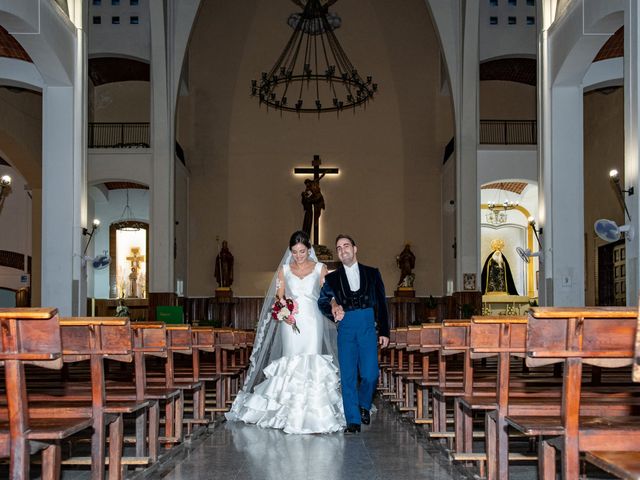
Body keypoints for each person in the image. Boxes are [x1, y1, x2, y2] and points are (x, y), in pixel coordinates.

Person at [225, 230, 344, 434]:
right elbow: (279, 297)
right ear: (290, 251)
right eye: (295, 252)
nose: (299, 256)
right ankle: (286, 410)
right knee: (291, 358)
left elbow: (329, 294)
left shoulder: (320, 268)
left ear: (309, 250)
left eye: (302, 251)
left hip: (312, 320)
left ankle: (314, 412)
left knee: (311, 358)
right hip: (291, 322)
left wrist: (334, 304)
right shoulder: (284, 270)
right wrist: (282, 309)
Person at [318, 234, 390, 434]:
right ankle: (353, 420)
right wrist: (333, 311)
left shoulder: (372, 273)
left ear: (355, 249)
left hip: (368, 325)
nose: (343, 250)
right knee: (348, 375)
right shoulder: (332, 278)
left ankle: (363, 404)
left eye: (346, 246)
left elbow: (382, 304)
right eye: (339, 248)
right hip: (347, 326)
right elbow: (322, 302)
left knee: (370, 374)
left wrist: (384, 331)